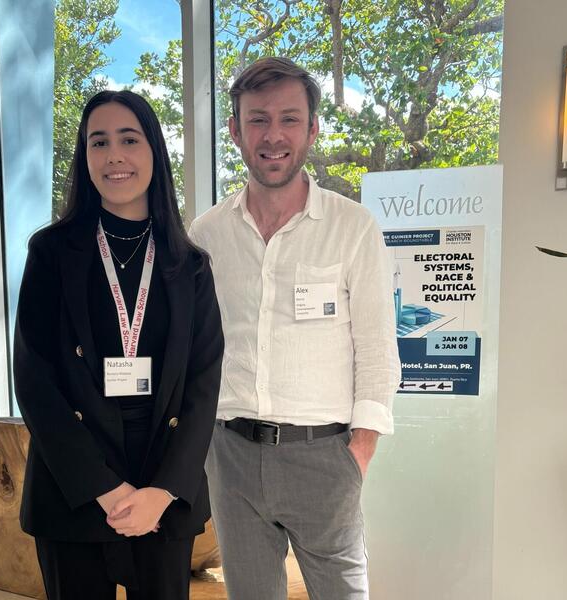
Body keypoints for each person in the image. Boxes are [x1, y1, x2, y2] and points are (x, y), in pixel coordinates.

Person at [189, 57, 401, 600]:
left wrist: (360, 447)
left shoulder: (352, 228)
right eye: (257, 119)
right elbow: (196, 346)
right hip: (232, 454)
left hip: (325, 455)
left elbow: (377, 346)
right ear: (235, 130)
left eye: (289, 118)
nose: (273, 135)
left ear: (312, 129)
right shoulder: (208, 234)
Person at [14, 89, 223, 600]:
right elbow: (34, 381)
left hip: (161, 476)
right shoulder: (51, 252)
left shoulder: (189, 264)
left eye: (129, 139)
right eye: (98, 142)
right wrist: (102, 488)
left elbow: (204, 382)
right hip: (74, 483)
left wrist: (163, 490)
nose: (114, 156)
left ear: (154, 150)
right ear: (84, 158)